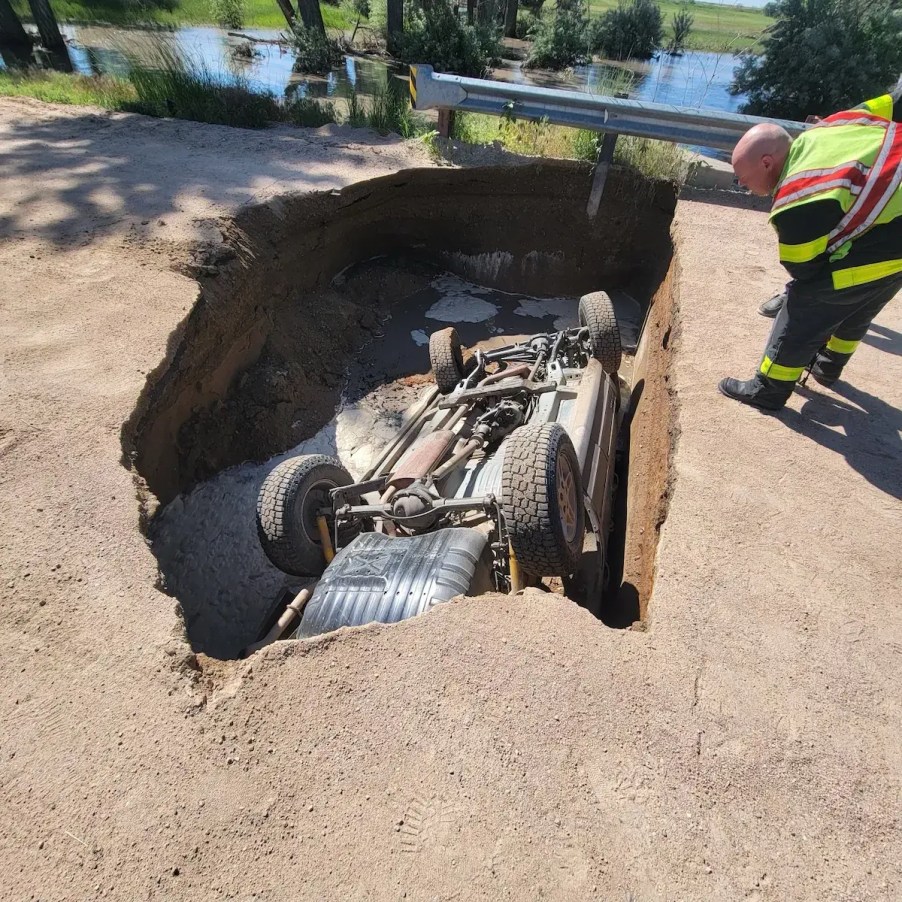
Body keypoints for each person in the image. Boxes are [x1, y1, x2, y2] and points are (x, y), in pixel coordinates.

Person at [720, 84, 902, 410]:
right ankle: (828, 366)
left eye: (742, 179)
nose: (744, 188)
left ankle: (768, 389)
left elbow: (805, 273)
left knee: (810, 300)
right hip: (894, 223)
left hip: (893, 234)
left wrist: (800, 295)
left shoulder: (795, 200)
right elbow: (893, 103)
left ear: (766, 162)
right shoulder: (829, 128)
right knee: (865, 294)